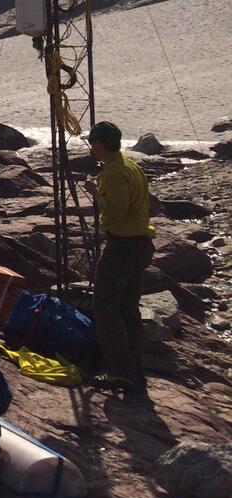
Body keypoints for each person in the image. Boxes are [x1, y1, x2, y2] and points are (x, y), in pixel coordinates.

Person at [82, 120, 155, 394]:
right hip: (141, 243)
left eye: (93, 145)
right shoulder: (129, 165)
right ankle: (135, 371)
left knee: (104, 305)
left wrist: (95, 193)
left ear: (99, 144)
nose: (92, 150)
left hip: (123, 246)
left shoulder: (113, 172)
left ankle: (120, 372)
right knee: (127, 306)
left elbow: (116, 210)